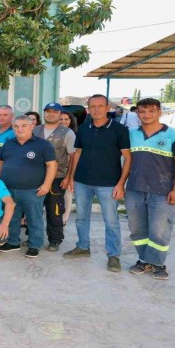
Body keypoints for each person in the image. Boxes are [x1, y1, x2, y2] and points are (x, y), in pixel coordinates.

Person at [64, 94, 131, 273]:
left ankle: (113, 255)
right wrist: (71, 178)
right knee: (81, 217)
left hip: (108, 183)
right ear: (88, 109)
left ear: (107, 107)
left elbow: (127, 158)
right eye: (92, 106)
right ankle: (83, 246)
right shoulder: (83, 129)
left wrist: (121, 183)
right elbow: (77, 153)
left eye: (100, 106)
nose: (96, 109)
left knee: (111, 221)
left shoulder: (119, 130)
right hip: (82, 181)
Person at [125, 98, 175, 280]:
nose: (147, 115)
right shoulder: (130, 134)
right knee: (137, 229)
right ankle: (144, 260)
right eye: (142, 111)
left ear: (160, 112)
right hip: (135, 189)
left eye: (151, 111)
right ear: (137, 113)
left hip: (163, 191)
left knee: (159, 230)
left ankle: (158, 263)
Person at [0, 115, 57, 258]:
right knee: (12, 217)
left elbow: (51, 165)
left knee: (34, 219)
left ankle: (34, 245)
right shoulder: (8, 143)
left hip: (33, 190)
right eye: (16, 126)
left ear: (32, 126)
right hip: (9, 190)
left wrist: (46, 185)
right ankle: (13, 242)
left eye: (24, 126)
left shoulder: (43, 145)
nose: (20, 129)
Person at [33, 103, 76, 252]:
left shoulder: (67, 133)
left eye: (55, 111)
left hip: (57, 177)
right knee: (34, 209)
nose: (51, 114)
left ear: (60, 113)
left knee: (55, 210)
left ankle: (55, 240)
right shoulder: (35, 130)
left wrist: (69, 178)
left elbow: (73, 157)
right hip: (36, 176)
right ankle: (33, 238)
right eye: (48, 111)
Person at [60, 110, 79, 226]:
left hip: (70, 168)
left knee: (67, 194)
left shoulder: (73, 134)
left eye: (66, 119)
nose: (63, 121)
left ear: (70, 121)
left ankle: (64, 219)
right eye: (61, 119)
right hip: (56, 169)